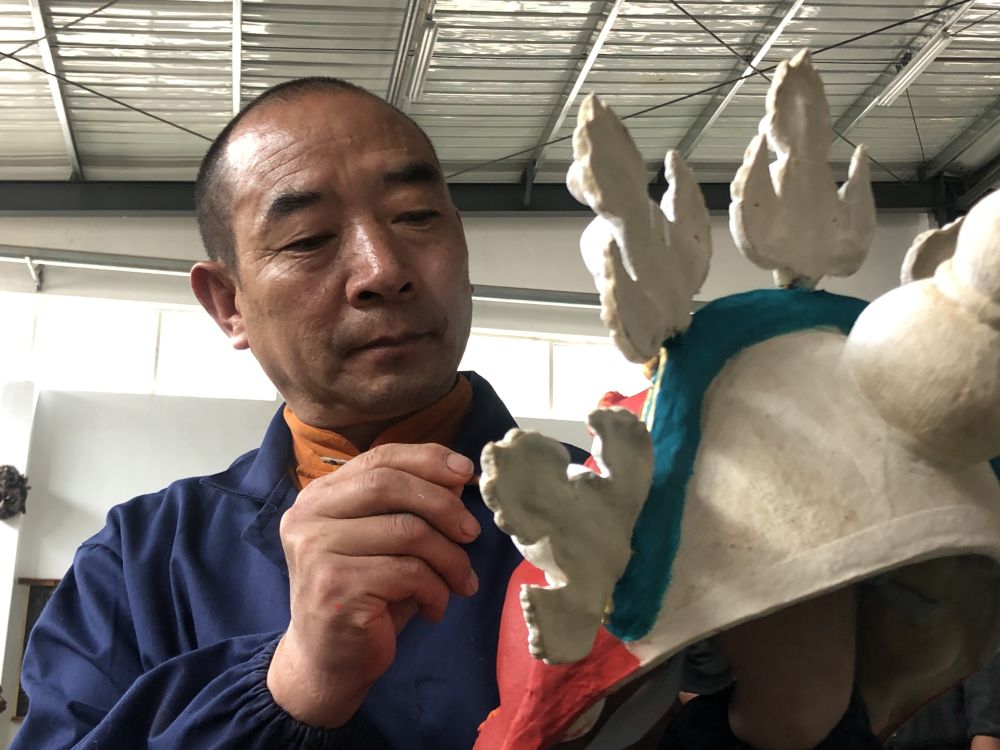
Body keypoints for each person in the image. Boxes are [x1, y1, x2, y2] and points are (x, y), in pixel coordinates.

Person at [11, 76, 583, 749]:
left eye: (415, 216)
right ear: (229, 304)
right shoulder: (141, 562)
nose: (382, 269)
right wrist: (294, 684)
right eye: (309, 238)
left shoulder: (628, 508)